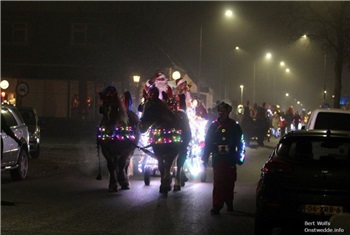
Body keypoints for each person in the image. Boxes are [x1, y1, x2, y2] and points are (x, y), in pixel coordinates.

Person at [201, 102, 244, 215]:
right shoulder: (213, 126)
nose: (221, 113)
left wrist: (240, 156)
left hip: (230, 158)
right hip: (217, 158)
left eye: (223, 111)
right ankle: (217, 205)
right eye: (220, 111)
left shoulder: (234, 126)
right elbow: (208, 142)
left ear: (228, 112)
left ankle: (229, 202)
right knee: (218, 181)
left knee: (230, 182)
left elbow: (240, 143)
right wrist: (205, 156)